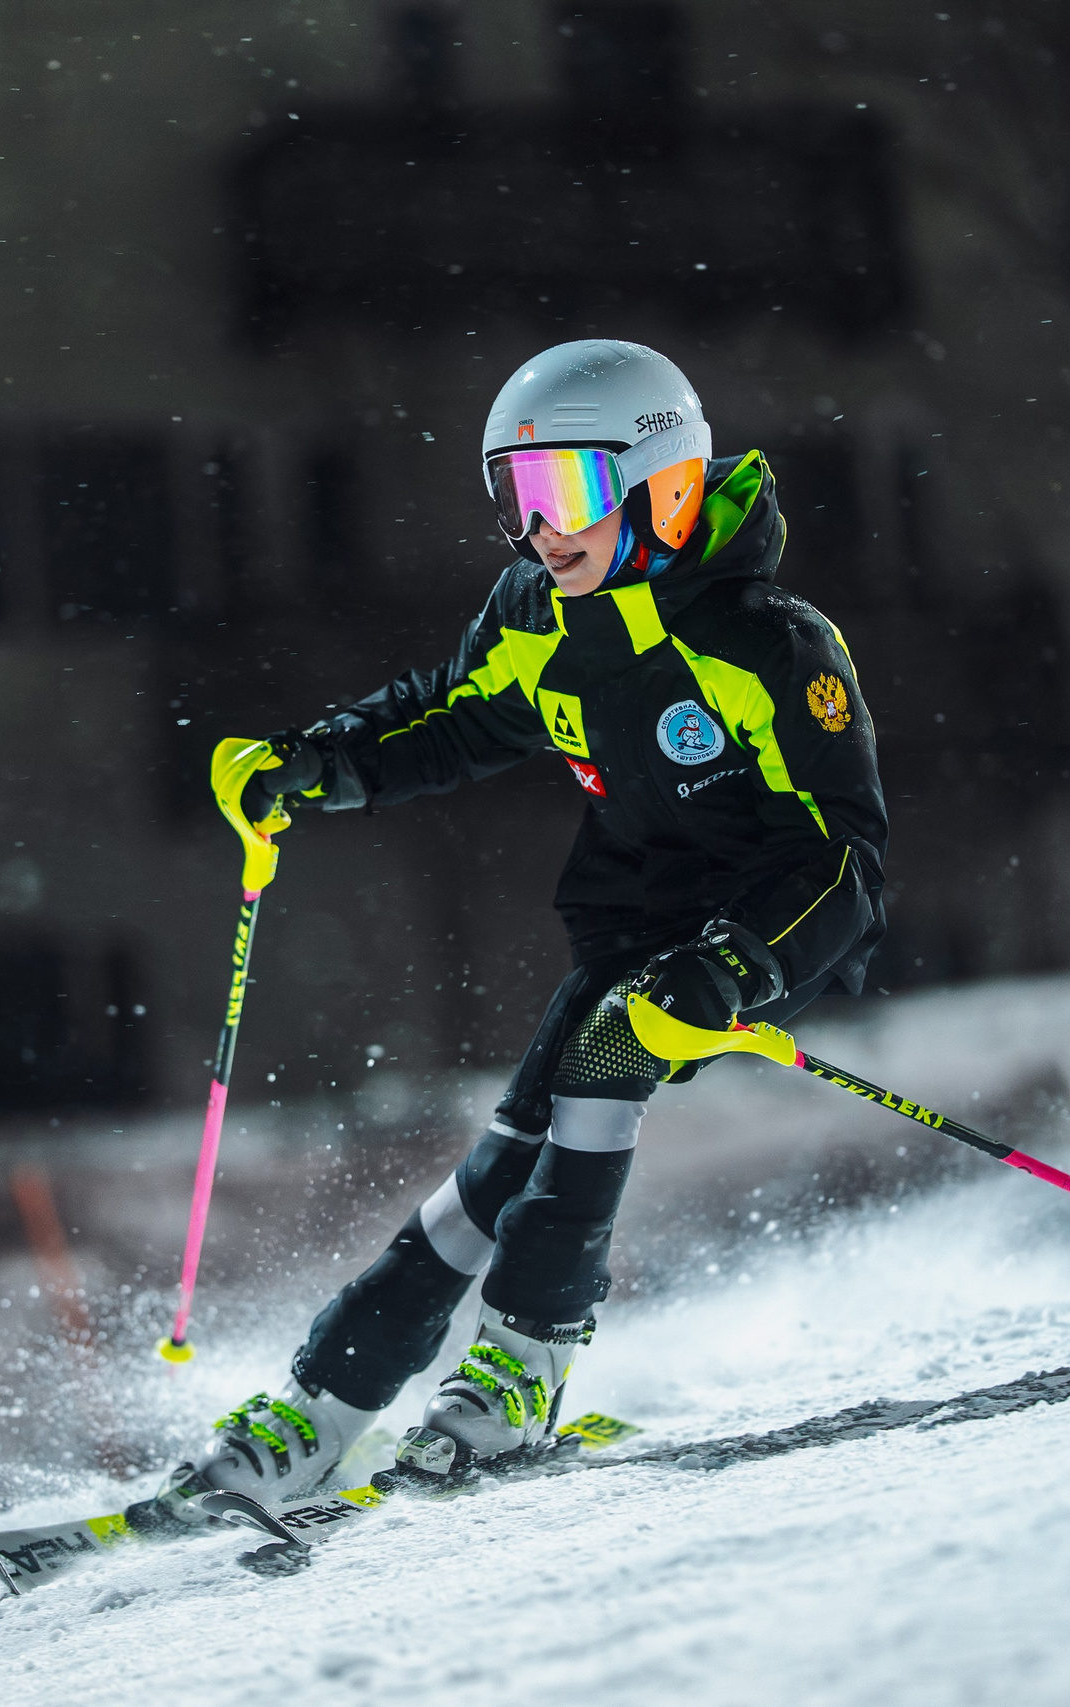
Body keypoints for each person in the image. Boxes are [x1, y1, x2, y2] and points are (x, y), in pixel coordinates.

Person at [170, 340, 888, 1499]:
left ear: (666, 484)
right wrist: (316, 767)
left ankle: (523, 1363)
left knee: (609, 1057)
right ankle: (323, 1407)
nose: (538, 531)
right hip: (631, 930)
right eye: (513, 497)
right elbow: (452, 719)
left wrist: (736, 969)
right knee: (501, 1166)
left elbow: (844, 863)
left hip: (758, 928)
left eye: (563, 493)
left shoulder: (769, 645)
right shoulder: (539, 611)